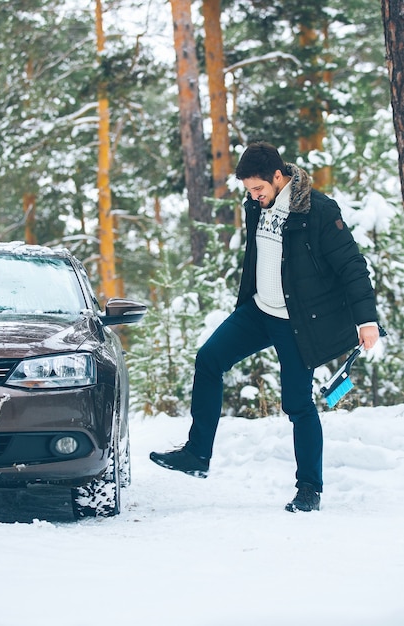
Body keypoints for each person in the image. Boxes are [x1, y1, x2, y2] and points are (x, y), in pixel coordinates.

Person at [150, 141, 379, 512]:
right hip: (259, 311)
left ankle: (309, 488)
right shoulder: (256, 206)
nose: (255, 197)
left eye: (258, 189)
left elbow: (352, 266)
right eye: (249, 191)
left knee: (298, 405)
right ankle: (197, 455)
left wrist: (366, 320)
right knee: (208, 360)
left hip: (297, 324)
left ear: (278, 176)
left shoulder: (318, 210)